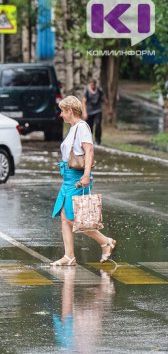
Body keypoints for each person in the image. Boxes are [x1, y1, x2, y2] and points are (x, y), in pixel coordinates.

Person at [51, 95, 116, 266]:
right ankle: (69, 256)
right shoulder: (73, 128)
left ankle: (105, 241)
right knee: (65, 216)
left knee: (74, 218)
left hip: (78, 178)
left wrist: (86, 175)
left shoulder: (82, 127)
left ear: (70, 111)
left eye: (62, 111)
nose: (61, 115)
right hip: (68, 178)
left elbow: (89, 151)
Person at [82, 79, 106, 145]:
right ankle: (89, 140)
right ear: (90, 84)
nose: (93, 86)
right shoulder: (87, 91)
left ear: (95, 84)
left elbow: (103, 99)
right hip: (89, 111)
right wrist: (84, 112)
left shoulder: (99, 91)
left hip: (97, 111)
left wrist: (108, 108)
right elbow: (84, 102)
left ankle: (98, 140)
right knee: (89, 127)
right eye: (91, 84)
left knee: (98, 124)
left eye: (94, 85)